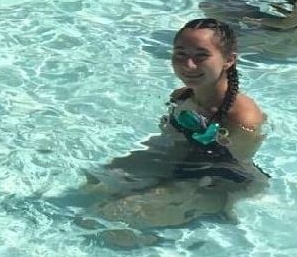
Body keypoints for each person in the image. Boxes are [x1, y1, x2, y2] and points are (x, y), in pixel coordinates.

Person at [87, 19, 267, 231]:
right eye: (180, 54)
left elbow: (231, 168)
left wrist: (161, 189)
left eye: (201, 56)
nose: (188, 65)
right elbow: (170, 138)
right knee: (95, 182)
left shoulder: (243, 117)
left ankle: (213, 212)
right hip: (181, 162)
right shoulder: (181, 96)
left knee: (116, 214)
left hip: (220, 183)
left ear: (229, 60)